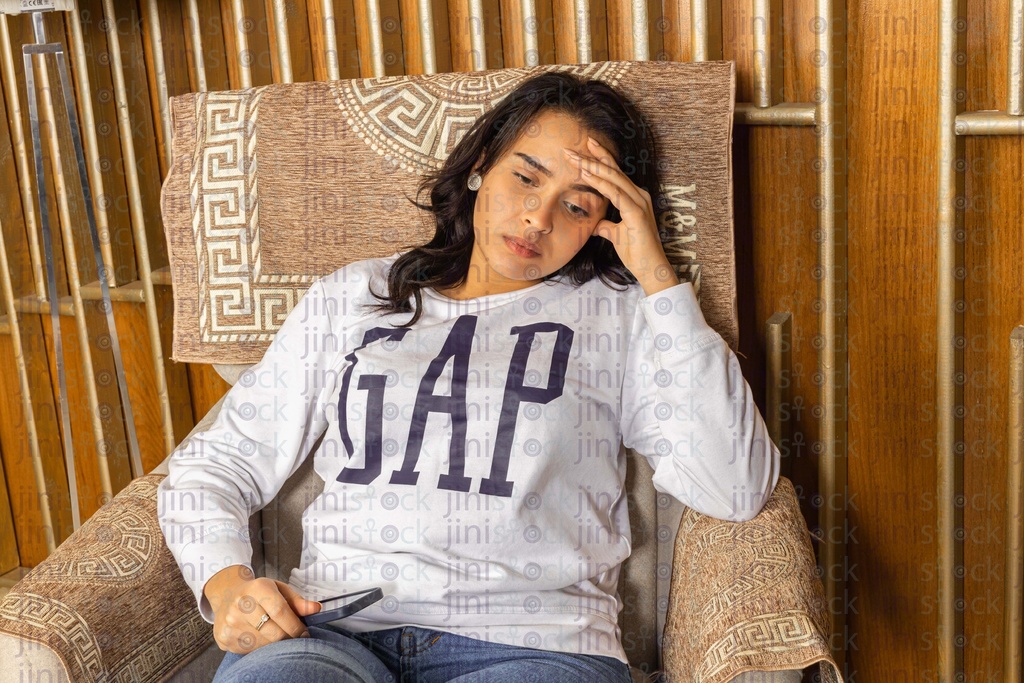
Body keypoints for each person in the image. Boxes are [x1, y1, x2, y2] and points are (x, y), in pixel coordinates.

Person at [157, 71, 780, 683]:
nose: (538, 217)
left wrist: (658, 279)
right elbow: (215, 465)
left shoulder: (624, 316)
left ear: (606, 220)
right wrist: (226, 581)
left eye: (577, 204)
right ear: (482, 164)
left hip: (536, 648)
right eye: (526, 177)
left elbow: (734, 485)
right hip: (332, 631)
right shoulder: (356, 296)